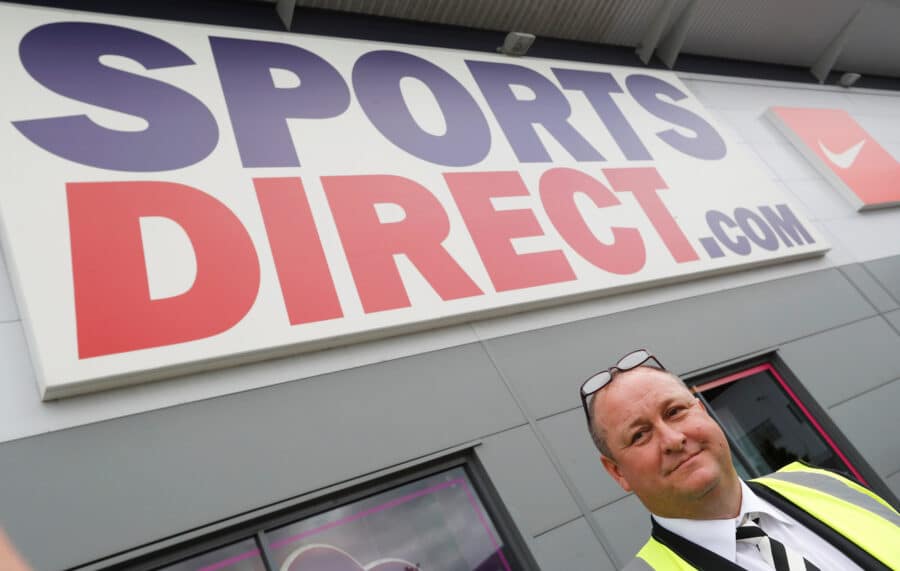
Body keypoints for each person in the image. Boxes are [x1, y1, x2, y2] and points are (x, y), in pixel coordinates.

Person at [580, 349, 900, 570]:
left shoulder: (824, 483)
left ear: (702, 412)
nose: (673, 439)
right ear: (617, 472)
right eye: (639, 435)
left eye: (675, 412)